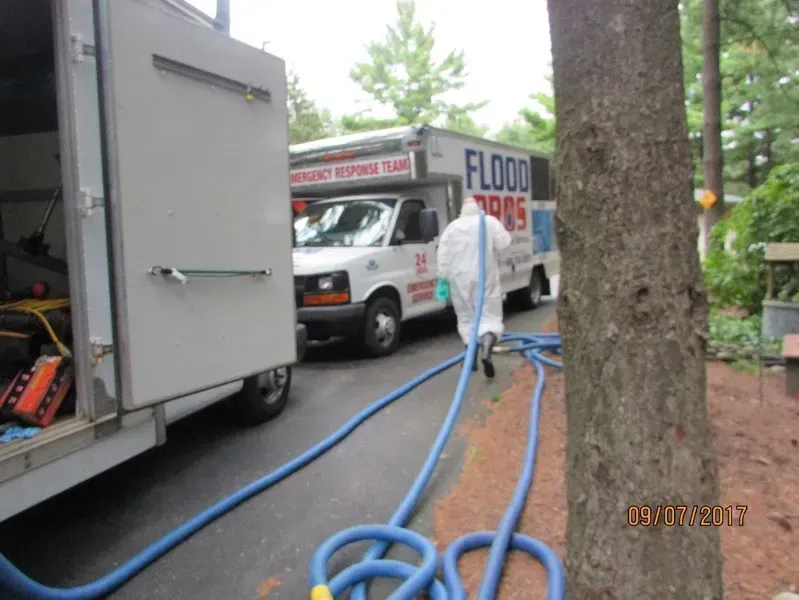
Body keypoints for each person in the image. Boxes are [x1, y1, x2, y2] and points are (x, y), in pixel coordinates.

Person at [436, 197, 512, 378]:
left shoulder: (451, 228)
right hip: (485, 278)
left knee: (466, 319)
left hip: (459, 280)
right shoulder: (488, 222)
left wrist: (442, 280)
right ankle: (486, 353)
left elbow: (443, 256)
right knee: (489, 317)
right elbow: (504, 242)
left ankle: (470, 361)